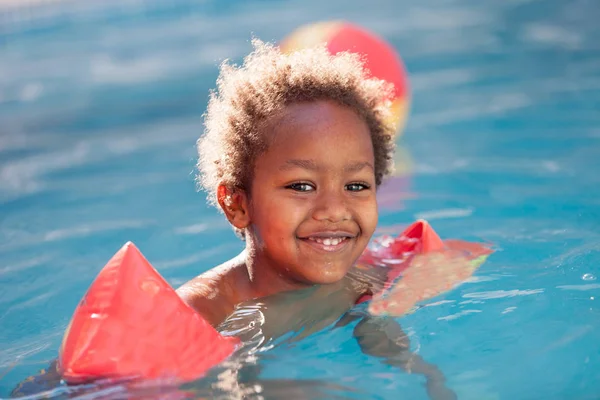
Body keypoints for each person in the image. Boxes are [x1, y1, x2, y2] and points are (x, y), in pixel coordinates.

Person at [175, 39, 482, 399]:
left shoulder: (362, 280)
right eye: (302, 186)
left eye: (355, 185)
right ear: (237, 204)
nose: (335, 210)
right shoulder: (203, 315)